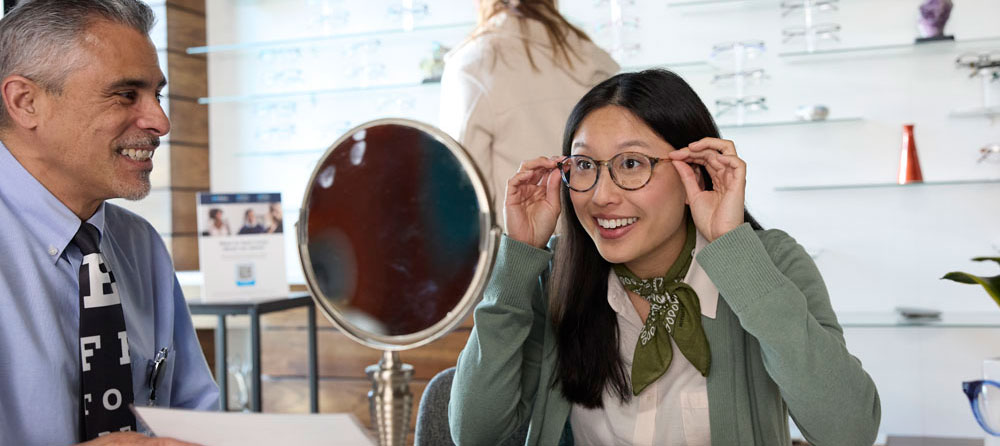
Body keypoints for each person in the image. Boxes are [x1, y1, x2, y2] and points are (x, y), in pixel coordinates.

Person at [449, 70, 881, 445]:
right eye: (583, 166)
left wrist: (736, 254)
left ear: (693, 169)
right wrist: (517, 259)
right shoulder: (558, 276)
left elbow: (849, 431)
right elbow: (475, 433)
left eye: (632, 163)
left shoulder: (772, 263)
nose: (601, 196)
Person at [0, 1, 219, 445]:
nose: (160, 121)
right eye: (125, 94)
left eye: (156, 94)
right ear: (26, 103)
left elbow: (195, 414)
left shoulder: (140, 245)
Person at [439, 0, 619, 222]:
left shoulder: (474, 64)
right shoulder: (593, 58)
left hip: (518, 249)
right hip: (590, 244)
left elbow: (463, 197)